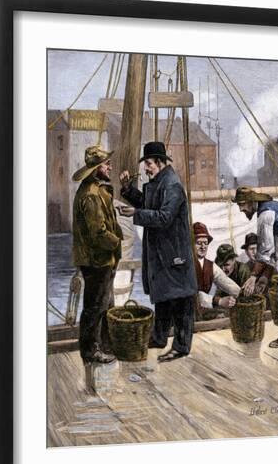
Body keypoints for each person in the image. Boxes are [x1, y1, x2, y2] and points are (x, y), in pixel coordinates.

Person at [119, 141, 197, 363]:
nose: (146, 168)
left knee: (181, 301)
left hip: (174, 254)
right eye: (146, 164)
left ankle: (181, 346)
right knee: (163, 296)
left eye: (149, 164)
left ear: (161, 163)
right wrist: (127, 191)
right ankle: (160, 337)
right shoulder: (160, 182)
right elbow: (148, 203)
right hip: (163, 253)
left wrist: (136, 214)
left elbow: (163, 217)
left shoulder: (172, 186)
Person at [233, 186, 278, 348]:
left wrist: (253, 277)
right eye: (239, 205)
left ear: (252, 202)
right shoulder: (269, 211)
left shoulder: (265, 216)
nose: (241, 209)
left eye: (243, 204)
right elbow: (272, 252)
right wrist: (264, 277)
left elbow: (265, 252)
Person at [72, 146, 123, 364]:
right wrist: (117, 242)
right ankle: (91, 351)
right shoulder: (91, 195)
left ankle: (103, 346)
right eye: (106, 164)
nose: (110, 167)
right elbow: (98, 233)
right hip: (97, 260)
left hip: (101, 259)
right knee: (95, 307)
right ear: (96, 169)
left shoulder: (94, 190)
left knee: (103, 304)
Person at [192, 222, 240, 318]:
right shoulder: (187, 265)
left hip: (201, 310)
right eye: (199, 243)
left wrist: (241, 293)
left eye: (205, 243)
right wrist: (219, 301)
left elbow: (225, 281)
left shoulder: (210, 265)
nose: (203, 247)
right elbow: (194, 295)